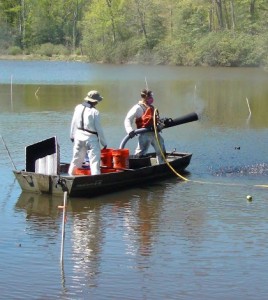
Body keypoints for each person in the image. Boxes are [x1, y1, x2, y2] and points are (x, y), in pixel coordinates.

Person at [68, 90, 107, 176]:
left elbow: (73, 122)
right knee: (94, 162)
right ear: (95, 101)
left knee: (76, 160)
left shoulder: (78, 107)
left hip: (78, 136)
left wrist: (72, 135)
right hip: (91, 139)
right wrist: (104, 142)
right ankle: (95, 181)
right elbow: (99, 129)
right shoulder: (94, 112)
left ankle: (70, 177)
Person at [124, 88, 166, 164]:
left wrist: (160, 125)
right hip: (144, 134)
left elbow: (155, 120)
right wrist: (130, 130)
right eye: (150, 97)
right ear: (145, 97)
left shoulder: (151, 107)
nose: (151, 99)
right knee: (141, 153)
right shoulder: (137, 107)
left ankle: (161, 165)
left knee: (161, 148)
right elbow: (127, 119)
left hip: (154, 133)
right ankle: (136, 166)